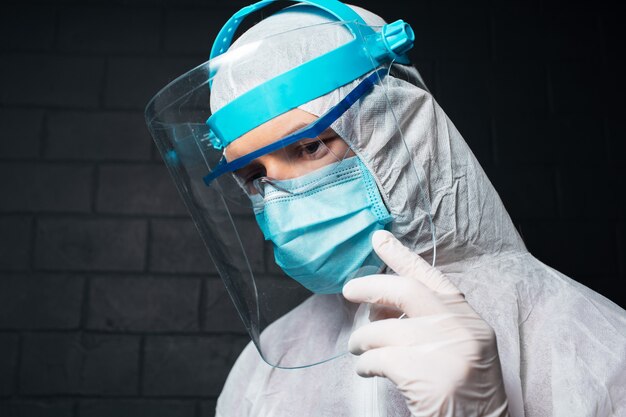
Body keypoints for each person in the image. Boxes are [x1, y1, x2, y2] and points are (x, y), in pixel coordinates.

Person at [145, 1, 626, 416]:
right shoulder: (264, 366)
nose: (283, 196)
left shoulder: (593, 344)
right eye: (255, 175)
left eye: (310, 147)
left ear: (398, 133)